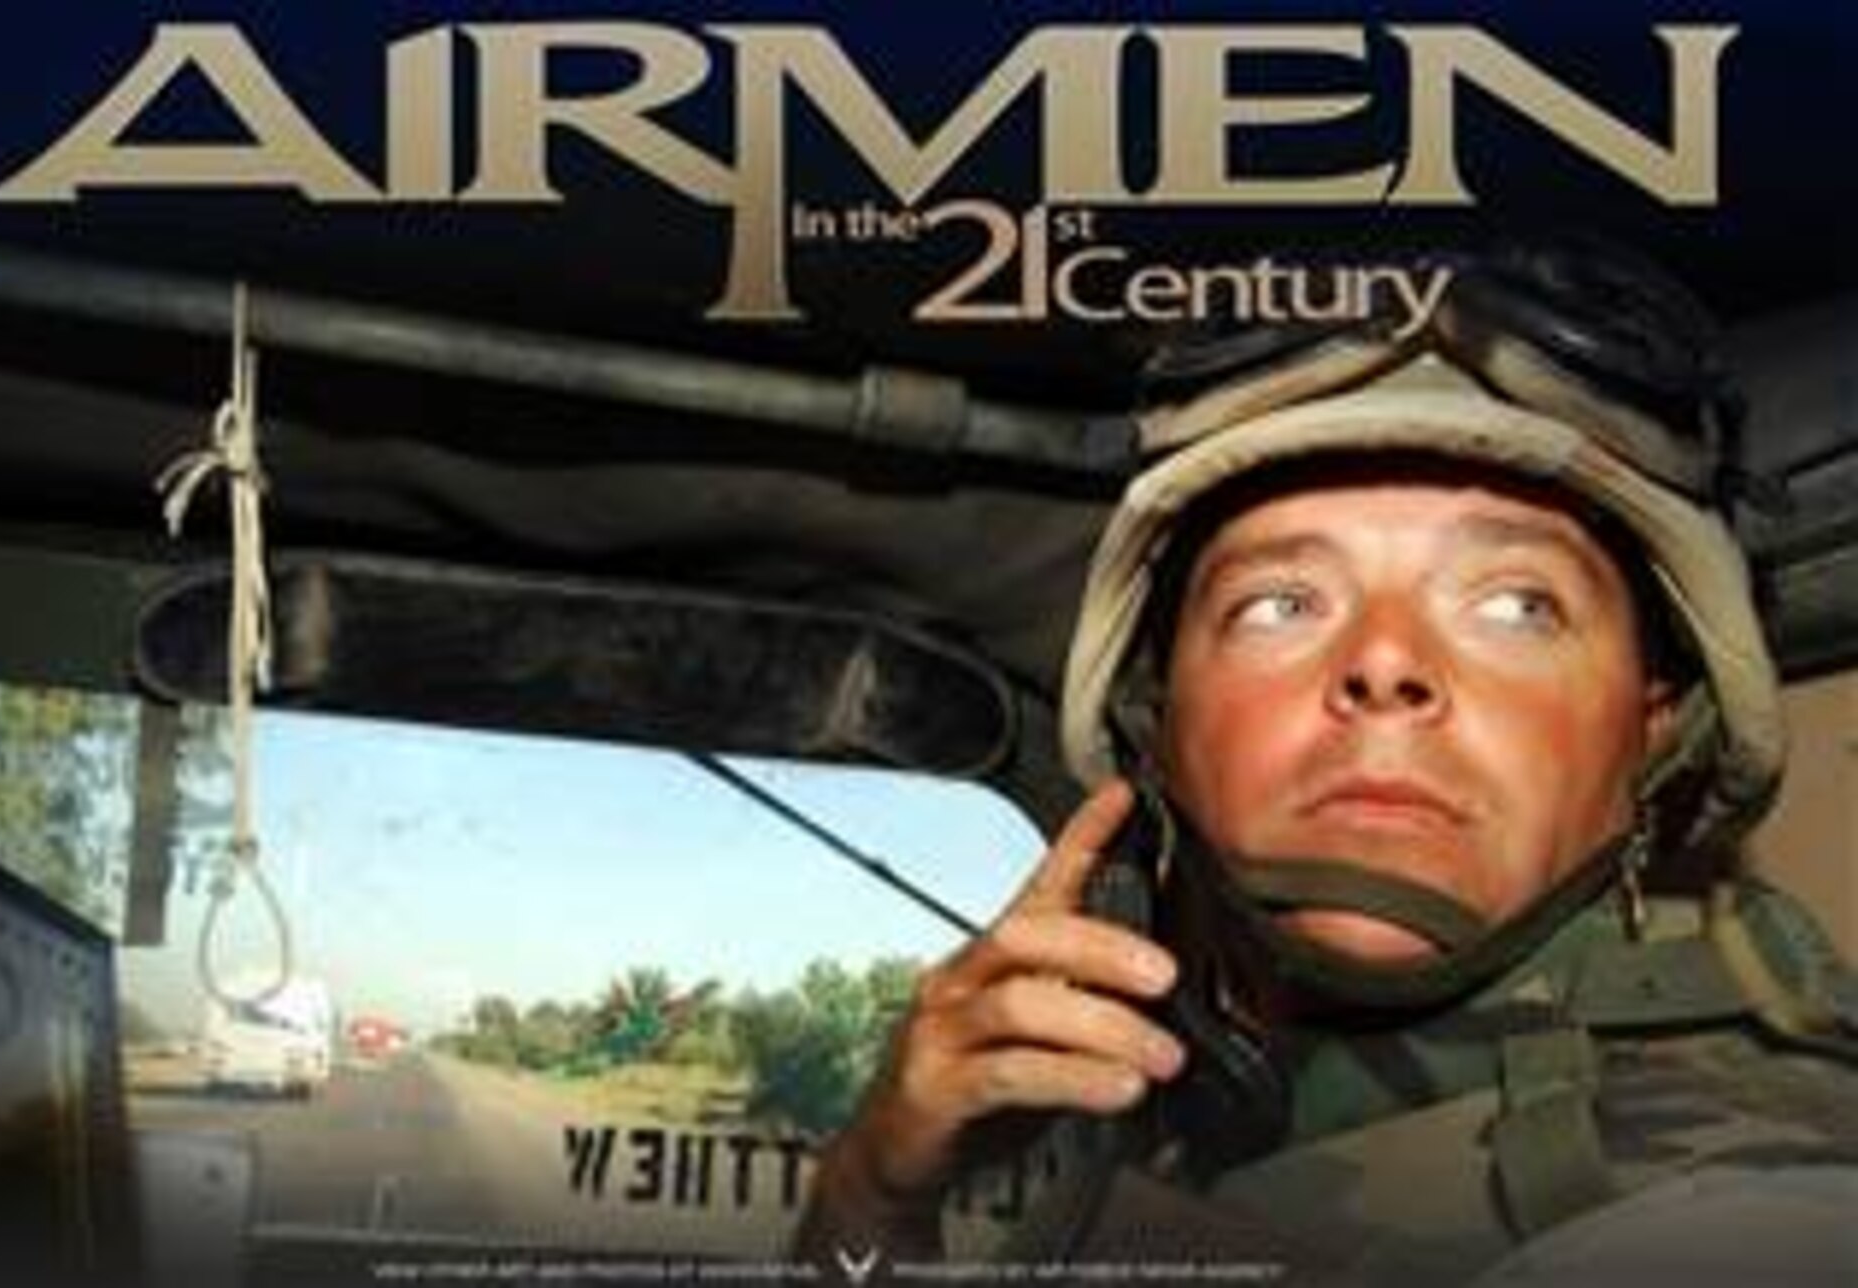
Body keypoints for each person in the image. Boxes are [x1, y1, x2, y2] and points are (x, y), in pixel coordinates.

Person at [794, 244, 1858, 1285]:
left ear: (1651, 727)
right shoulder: (1220, 1115)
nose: (1384, 662)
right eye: (1278, 604)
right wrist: (873, 1195)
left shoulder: (1742, 1190)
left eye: (1513, 605)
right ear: (1156, 726)